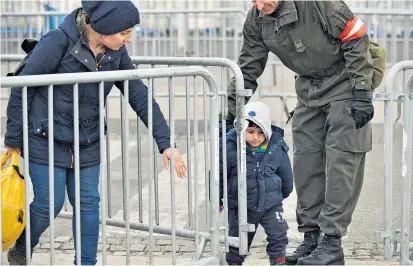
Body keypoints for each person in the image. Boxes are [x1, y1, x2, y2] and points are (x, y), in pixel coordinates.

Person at [4, 1, 187, 265]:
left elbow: (140, 96)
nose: (129, 39)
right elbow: (22, 87)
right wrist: (13, 138)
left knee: (88, 205)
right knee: (48, 204)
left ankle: (86, 263)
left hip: (86, 140)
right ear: (102, 28)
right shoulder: (58, 41)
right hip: (45, 137)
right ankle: (23, 247)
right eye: (124, 33)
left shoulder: (117, 53)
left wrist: (166, 142)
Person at [223, 0, 375, 265]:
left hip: (344, 84)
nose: (260, 4)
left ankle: (331, 243)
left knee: (342, 162)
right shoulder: (258, 18)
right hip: (309, 90)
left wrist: (362, 89)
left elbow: (355, 35)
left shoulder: (317, 3)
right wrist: (230, 109)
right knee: (306, 163)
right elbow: (249, 64)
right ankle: (312, 238)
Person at [220, 101, 293, 265]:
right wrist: (218, 198)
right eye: (250, 131)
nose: (255, 137)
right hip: (241, 205)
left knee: (278, 234)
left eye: (261, 132)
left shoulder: (276, 147)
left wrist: (281, 195)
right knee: (238, 239)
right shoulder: (230, 147)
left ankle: (278, 260)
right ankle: (234, 262)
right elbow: (219, 173)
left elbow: (286, 174)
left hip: (270, 204)